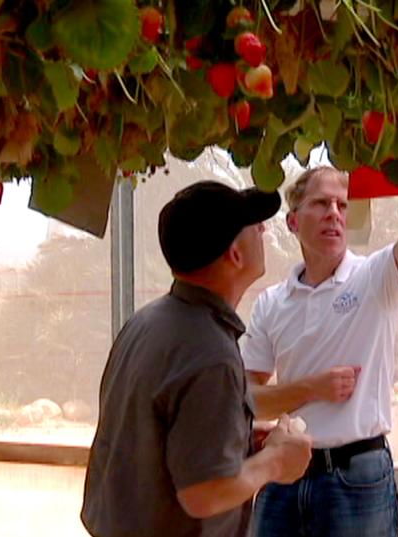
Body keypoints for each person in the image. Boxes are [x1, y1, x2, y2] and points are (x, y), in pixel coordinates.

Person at [81, 181, 312, 537]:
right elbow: (203, 494)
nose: (263, 229)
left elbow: (157, 440)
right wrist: (277, 461)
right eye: (254, 225)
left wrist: (236, 441)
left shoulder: (147, 322)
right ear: (234, 255)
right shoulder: (210, 353)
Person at [242, 166, 398, 536]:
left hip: (358, 479)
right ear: (292, 221)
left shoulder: (376, 277)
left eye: (342, 205)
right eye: (320, 203)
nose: (334, 212)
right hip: (282, 474)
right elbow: (249, 401)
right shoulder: (271, 303)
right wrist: (312, 389)